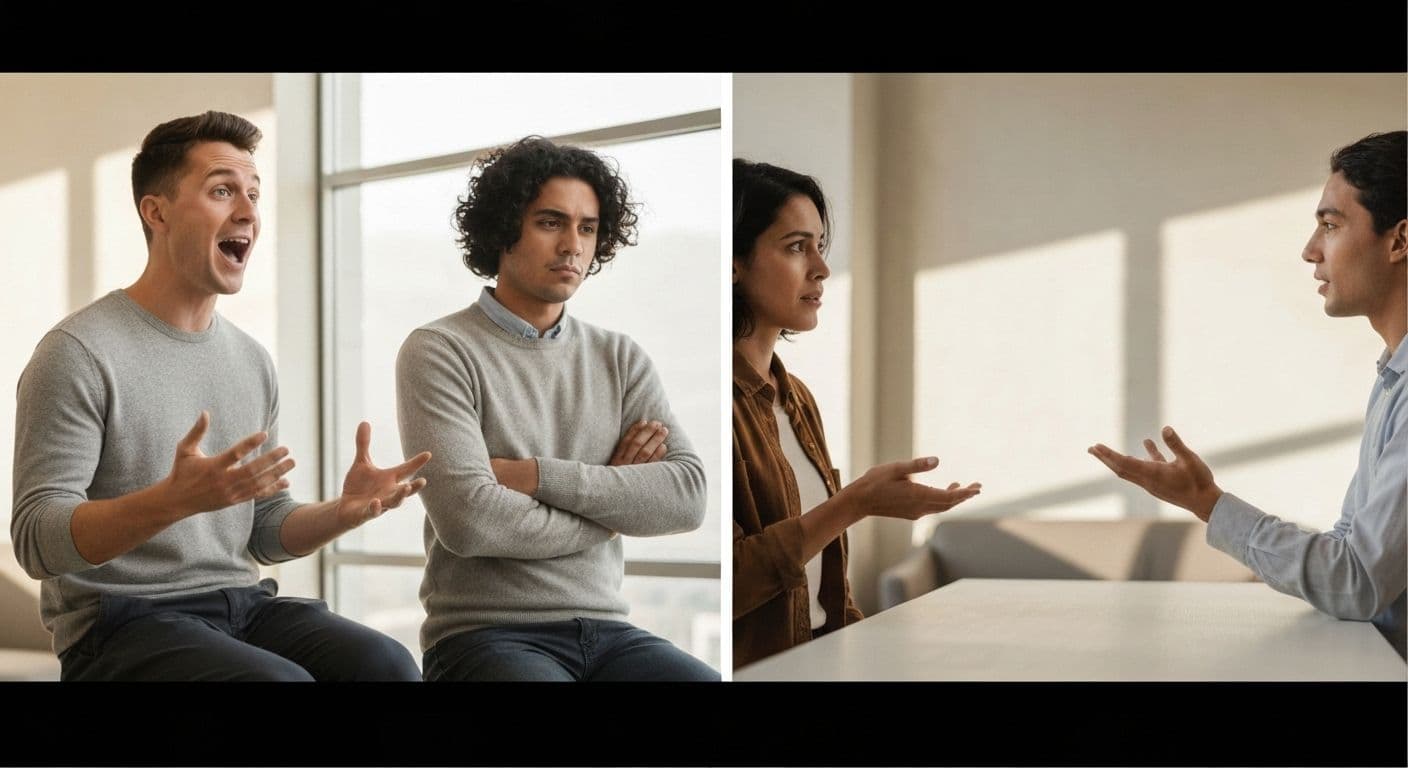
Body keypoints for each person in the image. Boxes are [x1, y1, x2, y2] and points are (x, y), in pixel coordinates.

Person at [11, 110, 432, 681]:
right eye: (222, 190)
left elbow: (262, 527)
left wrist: (341, 513)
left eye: (253, 194)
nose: (248, 212)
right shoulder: (77, 351)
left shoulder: (251, 360)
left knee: (386, 664)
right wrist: (172, 501)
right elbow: (37, 540)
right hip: (117, 623)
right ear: (155, 212)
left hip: (240, 606)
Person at [396, 135, 719, 682]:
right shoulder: (438, 349)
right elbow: (471, 522)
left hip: (611, 631)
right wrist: (611, 504)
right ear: (504, 229)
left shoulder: (619, 357)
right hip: (484, 636)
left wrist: (533, 476)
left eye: (587, 228)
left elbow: (686, 497)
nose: (573, 244)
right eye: (551, 222)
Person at [1089, 130, 1407, 659]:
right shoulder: (1392, 377)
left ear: (1399, 241)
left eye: (1330, 225)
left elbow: (1357, 583)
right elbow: (1350, 549)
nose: (1310, 251)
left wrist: (1207, 504)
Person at [731, 158, 982, 670]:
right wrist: (853, 503)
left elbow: (827, 589)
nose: (821, 268)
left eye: (820, 246)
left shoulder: (795, 397)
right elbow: (733, 581)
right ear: (734, 263)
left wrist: (877, 655)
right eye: (796, 247)